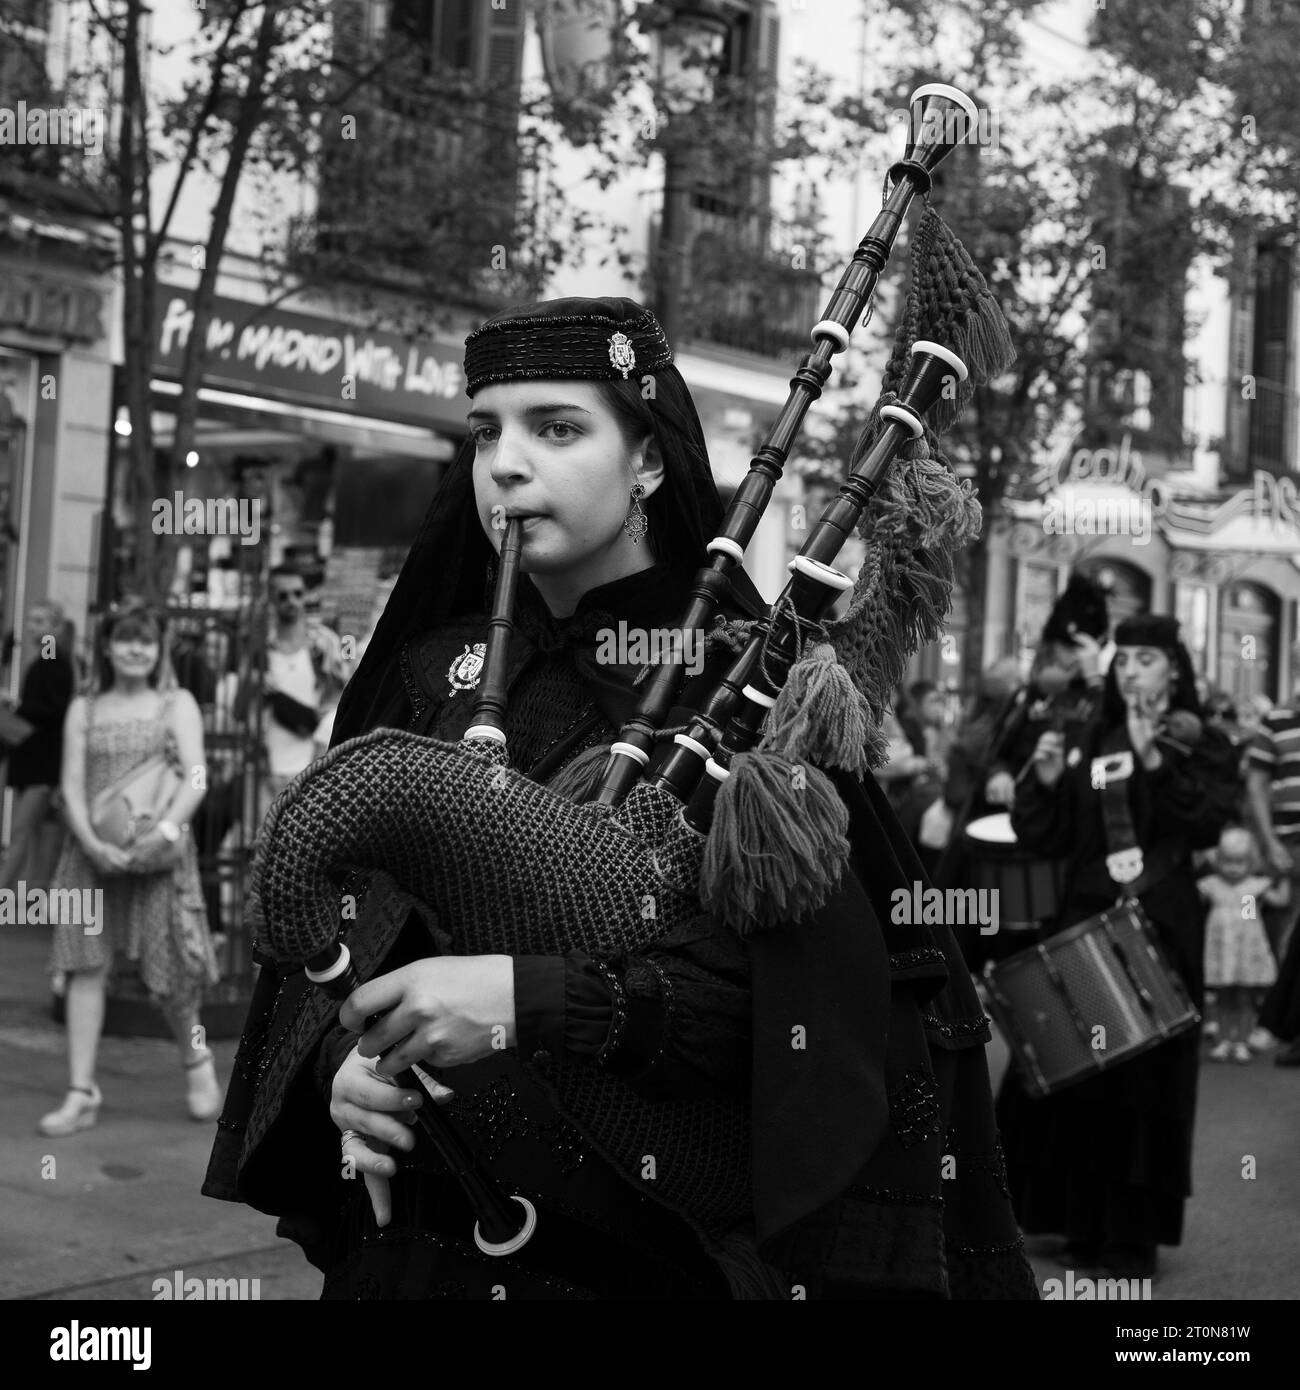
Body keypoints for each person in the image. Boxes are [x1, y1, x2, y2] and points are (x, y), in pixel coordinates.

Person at [203, 295, 1037, 1300]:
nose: (506, 463)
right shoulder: (429, 678)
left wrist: (530, 1002)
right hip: (419, 1241)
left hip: (634, 1253)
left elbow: (805, 1030)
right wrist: (345, 1062)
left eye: (557, 427)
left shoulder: (746, 692)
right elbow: (346, 944)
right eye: (485, 431)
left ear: (645, 457)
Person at [997, 613, 1240, 1279]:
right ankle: (1076, 1223)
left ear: (1174, 669)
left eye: (1147, 659)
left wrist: (1157, 762)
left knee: (1143, 1086)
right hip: (1083, 918)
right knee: (1078, 1072)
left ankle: (1129, 1236)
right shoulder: (1088, 737)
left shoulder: (1201, 744)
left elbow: (1210, 823)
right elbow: (1048, 841)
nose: (1131, 669)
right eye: (1124, 658)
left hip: (1157, 927)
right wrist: (1043, 787)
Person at [38, 600, 220, 1136]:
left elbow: (197, 776)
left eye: (145, 639)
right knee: (84, 966)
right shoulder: (84, 708)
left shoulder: (177, 703)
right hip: (89, 857)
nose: (136, 648)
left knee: (174, 977)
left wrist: (163, 833)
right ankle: (80, 1091)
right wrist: (93, 844)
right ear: (108, 646)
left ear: (159, 647)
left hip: (159, 856)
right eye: (125, 639)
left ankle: (196, 1060)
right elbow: (70, 786)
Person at [256, 565, 345, 823]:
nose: (292, 601)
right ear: (271, 600)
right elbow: (240, 712)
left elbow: (342, 700)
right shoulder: (259, 650)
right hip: (266, 771)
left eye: (297, 593)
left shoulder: (324, 644)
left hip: (313, 769)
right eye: (283, 596)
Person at [0, 599, 76, 893]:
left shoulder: (53, 658)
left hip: (42, 761)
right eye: (31, 620)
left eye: (40, 622)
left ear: (55, 627)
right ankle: (35, 893)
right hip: (33, 759)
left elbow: (54, 708)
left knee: (23, 831)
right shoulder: (47, 657)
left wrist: (16, 705)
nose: (32, 627)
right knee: (35, 832)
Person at [1248, 652, 1300, 1064]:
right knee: (1284, 932)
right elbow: (1257, 785)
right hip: (1289, 842)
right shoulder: (1276, 719)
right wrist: (1269, 842)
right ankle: (1283, 1021)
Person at [1197, 825, 1287, 1063]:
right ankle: (1224, 1040)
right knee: (1224, 998)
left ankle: (1242, 1041)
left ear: (1251, 861)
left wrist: (1285, 876)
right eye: (1227, 861)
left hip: (1247, 953)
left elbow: (1281, 900)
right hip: (1223, 953)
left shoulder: (1254, 887)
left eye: (1240, 862)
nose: (1233, 868)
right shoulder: (1211, 885)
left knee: (1246, 999)